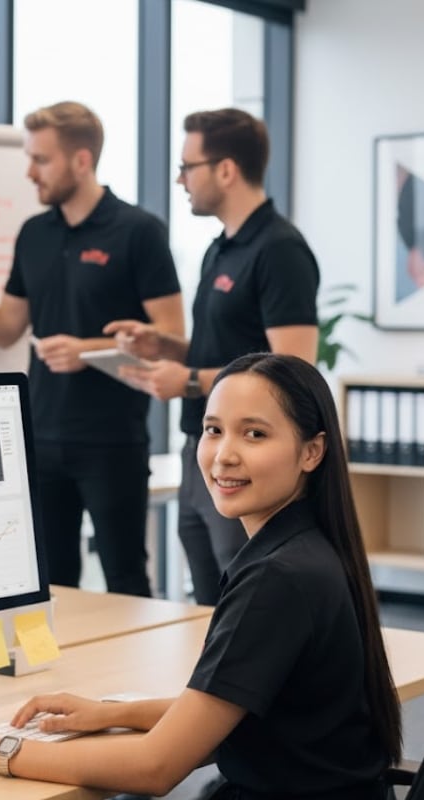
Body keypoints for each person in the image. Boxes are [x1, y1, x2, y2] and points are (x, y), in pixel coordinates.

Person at [0, 353, 402, 800]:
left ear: (312, 452)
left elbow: (156, 767)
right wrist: (113, 712)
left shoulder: (278, 578)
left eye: (254, 434)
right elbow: (227, 704)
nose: (224, 454)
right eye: (213, 430)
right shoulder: (308, 547)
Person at [0, 101, 184, 597]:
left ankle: (136, 679)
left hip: (112, 442)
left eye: (40, 160)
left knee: (126, 580)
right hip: (39, 438)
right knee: (48, 583)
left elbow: (170, 335)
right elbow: (5, 325)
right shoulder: (34, 234)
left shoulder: (138, 232)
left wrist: (86, 349)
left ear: (81, 161)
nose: (29, 173)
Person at [106, 108, 320, 605]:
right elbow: (234, 352)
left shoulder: (279, 249)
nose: (180, 179)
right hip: (201, 449)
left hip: (245, 457)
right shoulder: (219, 249)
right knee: (208, 603)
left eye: (188, 166)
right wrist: (166, 348)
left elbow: (293, 367)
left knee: (248, 597)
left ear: (226, 170)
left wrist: (189, 381)